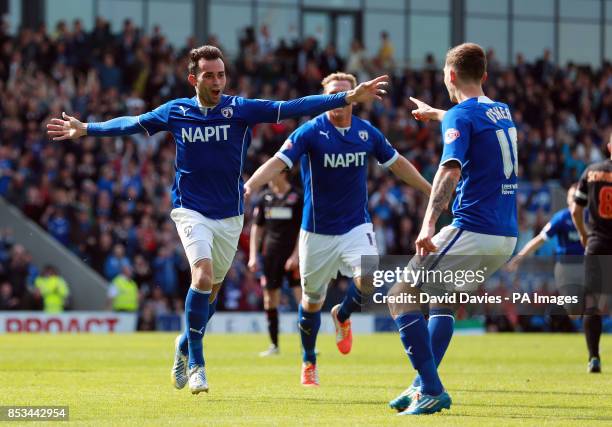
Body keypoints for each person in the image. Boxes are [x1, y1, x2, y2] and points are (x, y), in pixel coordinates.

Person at [46, 45, 389, 395]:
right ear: (193, 79)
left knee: (210, 297)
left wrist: (347, 96)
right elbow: (132, 124)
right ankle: (197, 363)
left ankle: (184, 341)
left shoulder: (238, 109)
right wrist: (87, 128)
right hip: (191, 210)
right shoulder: (176, 111)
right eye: (209, 75)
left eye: (221, 74)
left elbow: (290, 108)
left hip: (230, 216)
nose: (217, 81)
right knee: (203, 275)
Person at [245, 72, 431, 387]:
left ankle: (342, 316)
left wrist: (431, 190)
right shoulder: (311, 132)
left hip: (355, 226)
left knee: (370, 278)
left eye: (344, 93)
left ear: (355, 97)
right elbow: (279, 161)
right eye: (332, 94)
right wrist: (249, 186)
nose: (338, 100)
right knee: (311, 302)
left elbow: (398, 163)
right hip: (316, 233)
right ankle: (309, 361)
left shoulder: (366, 133)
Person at [388, 43, 518, 415]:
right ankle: (419, 386)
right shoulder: (502, 110)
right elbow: (473, 122)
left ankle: (431, 388)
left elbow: (449, 171)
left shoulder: (460, 116)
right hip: (505, 236)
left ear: (449, 76)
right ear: (484, 76)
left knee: (400, 293)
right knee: (441, 298)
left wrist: (429, 224)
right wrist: (438, 115)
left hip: (474, 228)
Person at [506, 184, 583, 324]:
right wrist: (520, 256)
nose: (575, 201)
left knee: (595, 302)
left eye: (577, 197)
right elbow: (540, 239)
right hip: (566, 268)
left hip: (586, 265)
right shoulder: (561, 218)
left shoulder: (590, 217)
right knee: (574, 312)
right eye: (572, 197)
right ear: (567, 199)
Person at [248, 170, 302, 356]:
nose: (268, 177)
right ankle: (274, 345)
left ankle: (308, 344)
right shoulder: (265, 198)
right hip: (270, 256)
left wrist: (296, 255)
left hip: (293, 256)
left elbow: (304, 229)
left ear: (282, 174)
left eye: (272, 173)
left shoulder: (298, 197)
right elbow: (257, 228)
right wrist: (253, 255)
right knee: (270, 299)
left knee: (302, 298)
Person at [571, 133, 612, 374]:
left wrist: (585, 235)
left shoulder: (591, 171)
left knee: (593, 304)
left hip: (597, 243)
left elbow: (576, 210)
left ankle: (594, 357)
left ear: (609, 147)